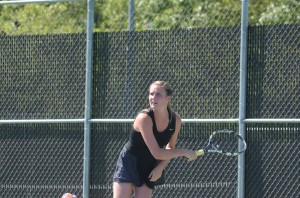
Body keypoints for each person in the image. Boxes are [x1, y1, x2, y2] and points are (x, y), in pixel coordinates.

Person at [113, 80, 198, 198]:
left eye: (158, 94)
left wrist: (160, 167)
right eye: (151, 94)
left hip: (149, 166)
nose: (153, 97)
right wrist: (184, 151)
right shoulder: (144, 119)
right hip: (129, 162)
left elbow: (170, 148)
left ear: (168, 98)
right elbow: (157, 153)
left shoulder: (176, 120)